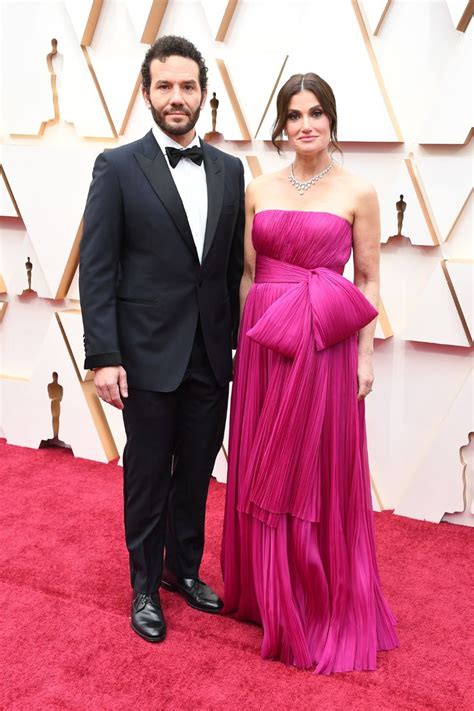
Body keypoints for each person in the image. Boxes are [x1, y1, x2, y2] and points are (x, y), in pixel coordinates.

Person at [221, 72, 399, 674]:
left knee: (318, 466)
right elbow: (249, 271)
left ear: (332, 120)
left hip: (327, 347)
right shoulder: (258, 188)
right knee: (264, 462)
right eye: (294, 114)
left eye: (316, 113)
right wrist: (248, 344)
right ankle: (266, 594)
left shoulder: (359, 191)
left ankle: (317, 597)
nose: (305, 124)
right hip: (267, 345)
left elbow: (369, 278)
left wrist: (367, 355)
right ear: (282, 124)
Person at [79, 35, 244, 643]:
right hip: (145, 354)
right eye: (165, 86)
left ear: (204, 93)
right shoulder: (117, 166)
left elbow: (228, 269)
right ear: (146, 93)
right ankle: (144, 586)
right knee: (148, 473)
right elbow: (98, 267)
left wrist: (230, 344)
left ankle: (182, 570)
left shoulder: (230, 169)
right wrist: (104, 356)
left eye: (188, 86)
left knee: (198, 470)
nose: (177, 97)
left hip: (209, 353)